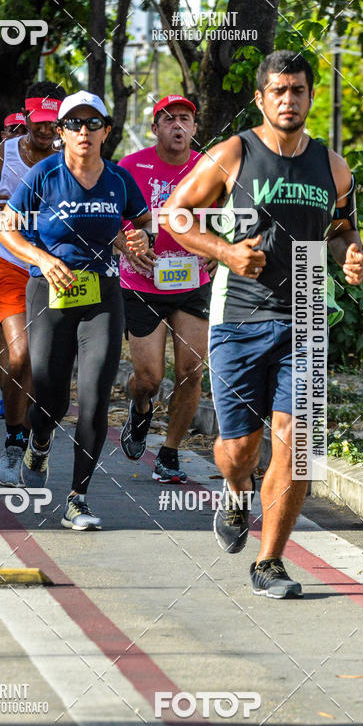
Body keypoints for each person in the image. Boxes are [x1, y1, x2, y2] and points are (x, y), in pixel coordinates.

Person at [162, 50, 363, 599]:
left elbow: (344, 227)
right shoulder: (235, 153)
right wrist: (226, 253)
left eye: (297, 90)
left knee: (297, 444)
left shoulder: (332, 164)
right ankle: (236, 491)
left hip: (304, 314)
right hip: (238, 319)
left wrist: (352, 252)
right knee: (238, 449)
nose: (288, 99)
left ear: (310, 96)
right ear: (261, 97)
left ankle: (270, 560)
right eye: (277, 90)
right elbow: (176, 214)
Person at [0, 90, 148, 530]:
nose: (84, 132)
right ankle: (38, 442)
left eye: (93, 123)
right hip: (50, 291)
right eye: (74, 124)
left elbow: (140, 225)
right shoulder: (43, 174)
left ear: (106, 131)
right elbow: (7, 229)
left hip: (102, 293)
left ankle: (78, 497)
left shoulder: (118, 180)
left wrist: (136, 241)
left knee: (96, 398)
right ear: (60, 132)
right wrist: (42, 258)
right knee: (50, 397)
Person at [0, 81, 66, 485]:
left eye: (53, 124)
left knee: (48, 364)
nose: (46, 131)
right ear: (25, 119)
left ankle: (37, 438)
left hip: (56, 268)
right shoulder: (1, 155)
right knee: (19, 356)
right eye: (39, 123)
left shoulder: (72, 156)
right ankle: (13, 441)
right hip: (9, 265)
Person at [117, 95, 212, 483]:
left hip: (192, 281)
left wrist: (219, 250)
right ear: (155, 128)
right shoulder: (129, 166)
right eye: (168, 119)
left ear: (193, 128)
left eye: (185, 119)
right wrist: (124, 242)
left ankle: (170, 452)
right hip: (142, 281)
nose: (177, 126)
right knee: (150, 378)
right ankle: (140, 411)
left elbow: (230, 217)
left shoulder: (210, 168)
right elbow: (109, 215)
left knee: (191, 370)